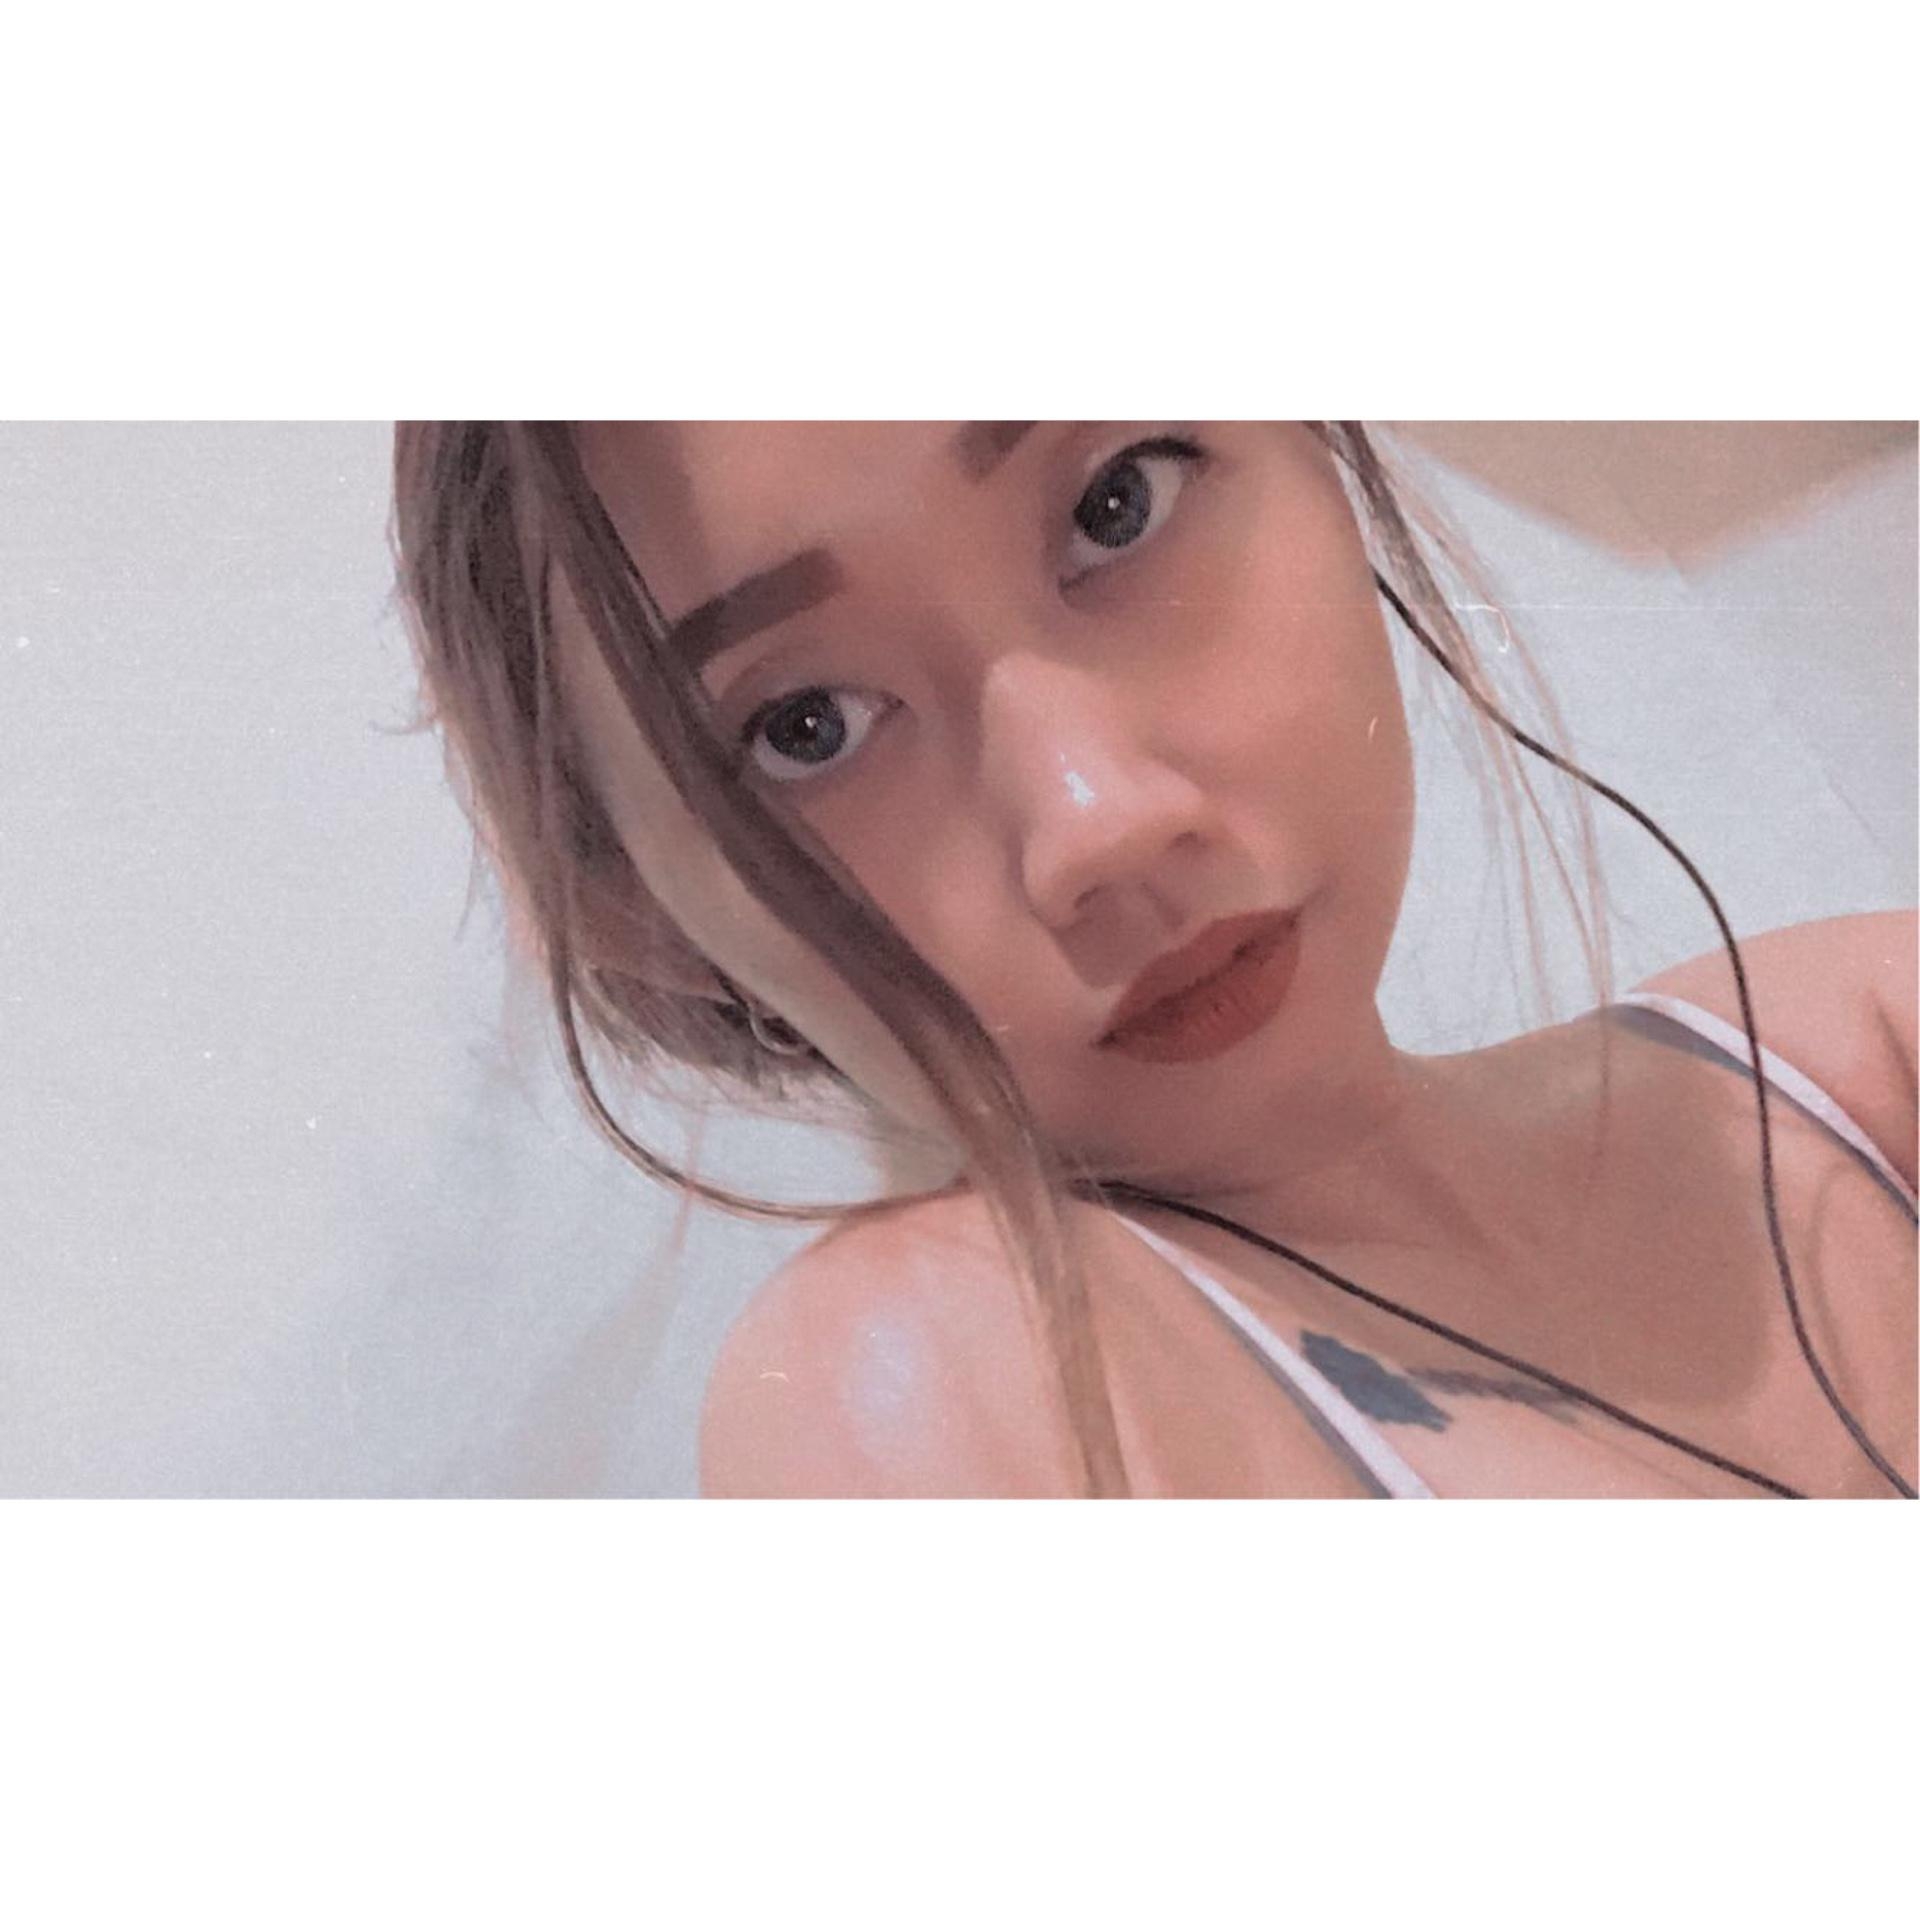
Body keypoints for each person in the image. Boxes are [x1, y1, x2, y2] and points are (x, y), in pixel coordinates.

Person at [392, 422, 1916, 1499]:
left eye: (1117, 503)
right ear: (643, 921)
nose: (1102, 822)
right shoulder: (950, 1371)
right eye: (806, 729)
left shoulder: (1856, 1054)